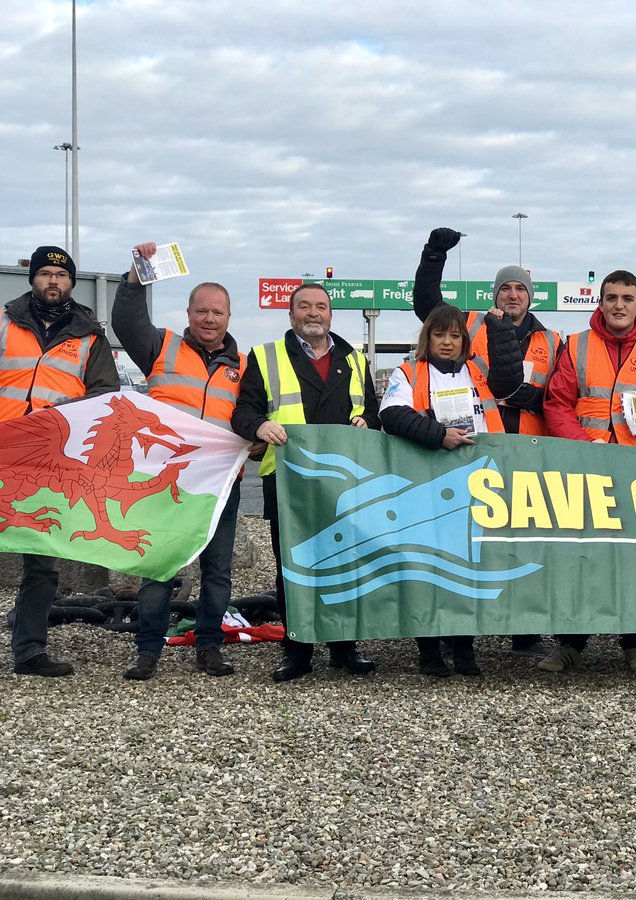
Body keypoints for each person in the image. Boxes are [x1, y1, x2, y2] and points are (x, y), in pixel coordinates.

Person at [539, 269, 636, 672]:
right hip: (585, 469)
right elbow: (557, 403)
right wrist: (581, 446)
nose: (619, 305)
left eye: (627, 298)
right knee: (577, 556)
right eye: (612, 298)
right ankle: (571, 643)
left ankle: (635, 642)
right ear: (601, 302)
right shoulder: (576, 345)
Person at [413, 227, 559, 658]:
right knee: (469, 539)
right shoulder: (472, 324)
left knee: (526, 542)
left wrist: (525, 396)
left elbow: (558, 395)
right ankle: (463, 632)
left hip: (529, 453)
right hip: (475, 450)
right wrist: (434, 254)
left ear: (530, 296)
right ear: (494, 294)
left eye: (520, 288)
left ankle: (525, 631)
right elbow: (428, 306)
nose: (512, 294)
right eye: (505, 288)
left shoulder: (551, 340)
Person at [112, 242, 248, 680]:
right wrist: (136, 276)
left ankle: (209, 646)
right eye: (201, 310)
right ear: (188, 313)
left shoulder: (243, 367)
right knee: (159, 566)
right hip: (165, 484)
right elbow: (126, 321)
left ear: (229, 318)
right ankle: (147, 650)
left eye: (218, 312)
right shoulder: (161, 348)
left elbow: (252, 418)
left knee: (217, 573)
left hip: (220, 488)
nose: (209, 319)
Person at [231, 283, 381, 682]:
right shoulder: (265, 357)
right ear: (291, 314)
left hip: (346, 484)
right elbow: (243, 412)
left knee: (346, 564)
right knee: (293, 569)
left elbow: (374, 414)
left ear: (331, 314)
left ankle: (344, 647)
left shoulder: (355, 359)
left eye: (321, 307)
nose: (313, 313)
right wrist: (260, 425)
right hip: (288, 481)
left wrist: (368, 422)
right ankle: (296, 650)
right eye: (304, 307)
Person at [380, 302, 521, 676]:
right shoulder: (409, 371)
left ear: (464, 340)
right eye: (440, 334)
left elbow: (510, 377)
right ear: (428, 337)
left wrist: (502, 329)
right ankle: (428, 651)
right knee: (426, 566)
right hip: (425, 484)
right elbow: (392, 414)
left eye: (455, 335)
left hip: (477, 484)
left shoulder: (479, 372)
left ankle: (464, 648)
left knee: (468, 568)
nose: (447, 342)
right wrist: (438, 434)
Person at [2, 246, 119, 676]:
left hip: (50, 460)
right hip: (2, 453)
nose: (54, 281)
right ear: (33, 279)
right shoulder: (4, 320)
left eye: (61, 275)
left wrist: (68, 409)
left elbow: (105, 394)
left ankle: (30, 651)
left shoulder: (90, 334)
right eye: (46, 273)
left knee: (41, 554)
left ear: (71, 282)